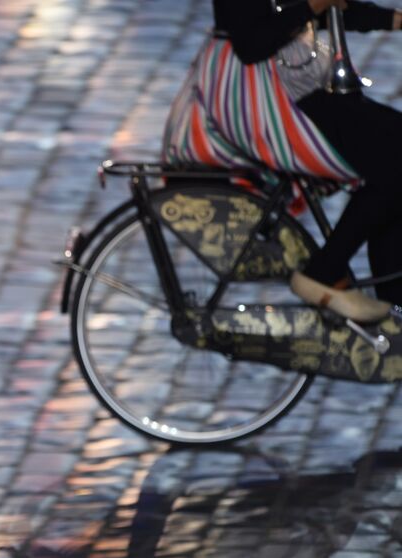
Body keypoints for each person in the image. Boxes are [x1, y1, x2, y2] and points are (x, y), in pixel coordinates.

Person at [165, 0, 402, 324]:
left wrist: (392, 19)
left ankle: (395, 319)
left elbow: (328, 7)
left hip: (286, 77)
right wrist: (313, 5)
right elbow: (250, 41)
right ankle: (323, 272)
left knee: (389, 162)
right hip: (254, 93)